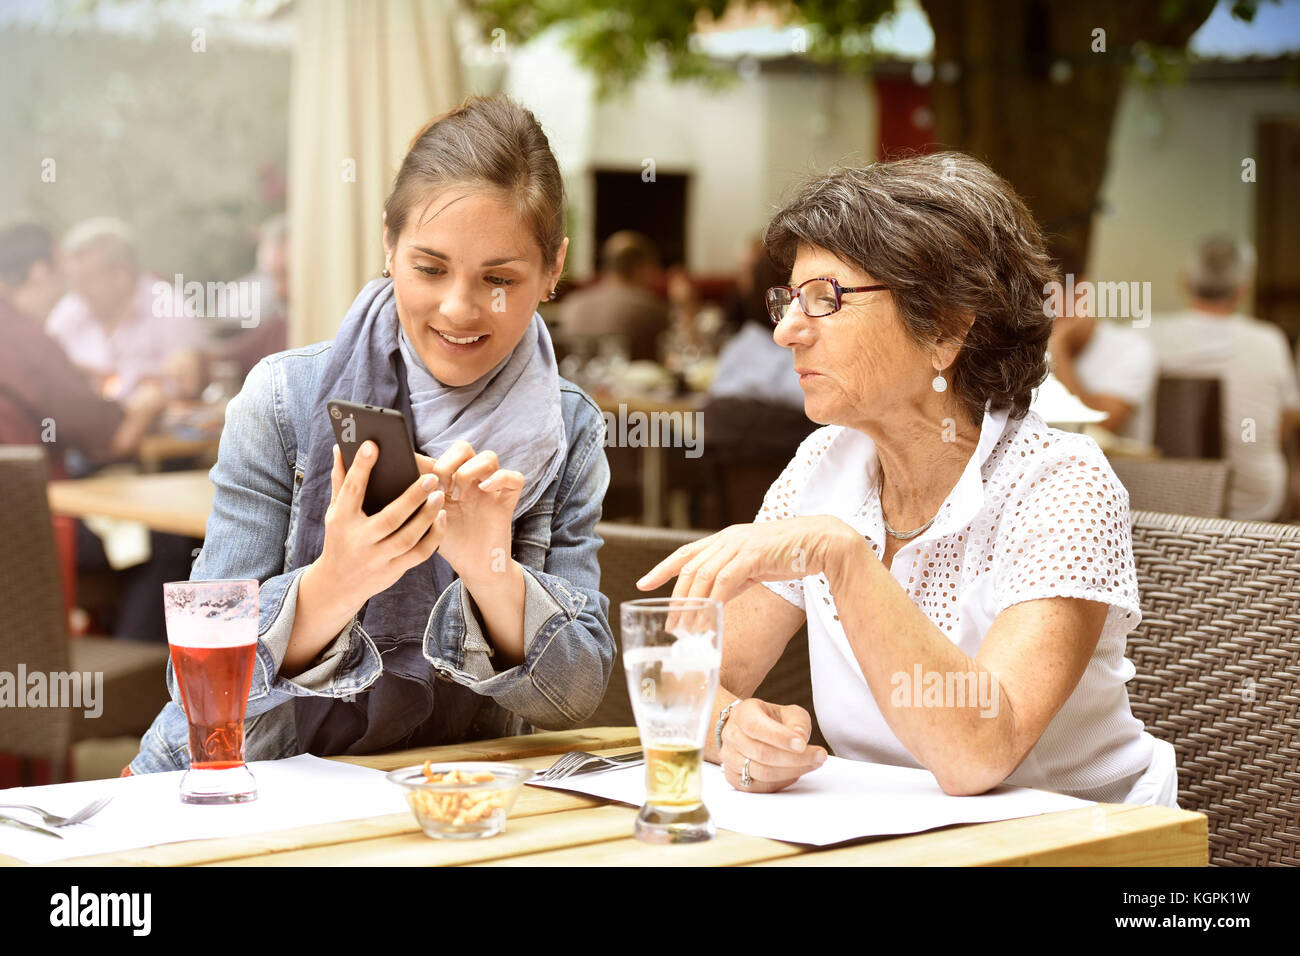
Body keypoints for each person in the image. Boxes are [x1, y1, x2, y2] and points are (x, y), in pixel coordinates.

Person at [638, 153, 1177, 807]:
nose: (785, 331)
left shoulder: (1061, 485)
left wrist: (842, 557)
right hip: (884, 836)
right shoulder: (823, 466)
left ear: (946, 326)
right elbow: (674, 681)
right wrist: (730, 727)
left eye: (824, 300)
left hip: (1082, 843)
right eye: (787, 300)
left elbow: (980, 753)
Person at [128, 97, 613, 772]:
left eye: (499, 278)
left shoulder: (571, 429)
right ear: (389, 245)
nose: (459, 308)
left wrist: (489, 571)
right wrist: (336, 580)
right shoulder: (281, 399)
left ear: (553, 269)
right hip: (241, 789)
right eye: (430, 267)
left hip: (444, 802)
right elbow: (195, 680)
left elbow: (575, 698)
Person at [1145, 236, 1300, 521]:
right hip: (1258, 504)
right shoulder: (1270, 341)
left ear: (1185, 280)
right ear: (1243, 290)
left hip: (1171, 501)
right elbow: (1283, 425)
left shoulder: (1148, 335)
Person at [45, 217, 204, 402]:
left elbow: (187, 388)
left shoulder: (169, 308)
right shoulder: (69, 310)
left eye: (86, 279)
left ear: (121, 275)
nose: (77, 290)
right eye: (73, 280)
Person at [1047, 273, 1158, 442]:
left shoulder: (1131, 349)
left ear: (1080, 293)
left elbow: (1097, 428)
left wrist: (1058, 349)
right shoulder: (1024, 344)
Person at [559, 230, 668, 362]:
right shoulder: (649, 307)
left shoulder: (572, 302)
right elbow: (669, 355)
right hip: (627, 381)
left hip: (574, 380)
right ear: (638, 267)